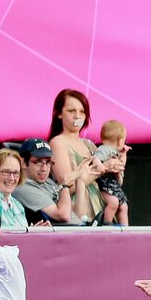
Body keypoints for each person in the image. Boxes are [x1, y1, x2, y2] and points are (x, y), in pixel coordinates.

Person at [48, 88, 104, 224]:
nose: (77, 116)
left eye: (82, 111)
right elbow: (67, 185)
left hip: (99, 205)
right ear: (59, 114)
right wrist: (102, 170)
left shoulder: (88, 144)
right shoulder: (57, 143)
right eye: (71, 111)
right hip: (75, 210)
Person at [13, 137, 74, 225]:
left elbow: (78, 214)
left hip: (82, 228)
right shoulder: (22, 188)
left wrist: (81, 182)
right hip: (65, 234)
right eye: (38, 162)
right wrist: (64, 186)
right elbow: (64, 215)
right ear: (23, 163)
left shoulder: (48, 182)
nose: (44, 169)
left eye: (48, 162)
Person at [91, 119, 130, 226]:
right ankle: (106, 223)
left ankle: (125, 228)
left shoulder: (117, 152)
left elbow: (122, 164)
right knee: (113, 202)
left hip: (114, 185)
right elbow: (96, 158)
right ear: (120, 141)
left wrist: (124, 153)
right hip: (105, 185)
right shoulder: (104, 149)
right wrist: (100, 166)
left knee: (124, 206)